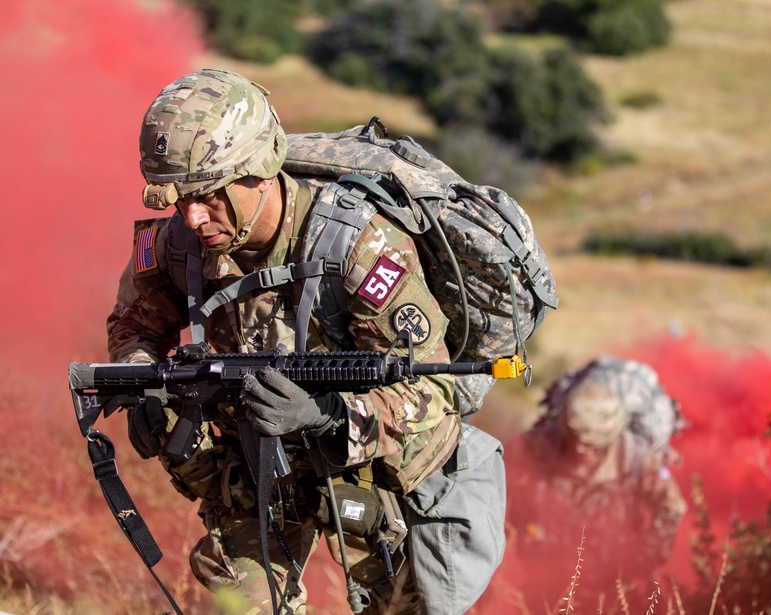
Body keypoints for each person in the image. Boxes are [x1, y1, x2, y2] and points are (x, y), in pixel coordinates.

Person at [108, 68, 506, 614]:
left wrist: (329, 416)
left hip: (371, 473)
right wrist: (141, 379)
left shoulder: (358, 246)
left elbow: (432, 392)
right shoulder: (179, 245)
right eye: (179, 199)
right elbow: (135, 323)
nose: (193, 216)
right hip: (255, 472)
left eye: (208, 195)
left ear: (258, 171)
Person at [502, 356, 687, 611]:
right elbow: (504, 490)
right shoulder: (539, 445)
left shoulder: (634, 456)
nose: (580, 449)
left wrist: (642, 559)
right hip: (548, 573)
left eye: (591, 445)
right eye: (574, 438)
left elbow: (671, 508)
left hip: (616, 578)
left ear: (611, 435)